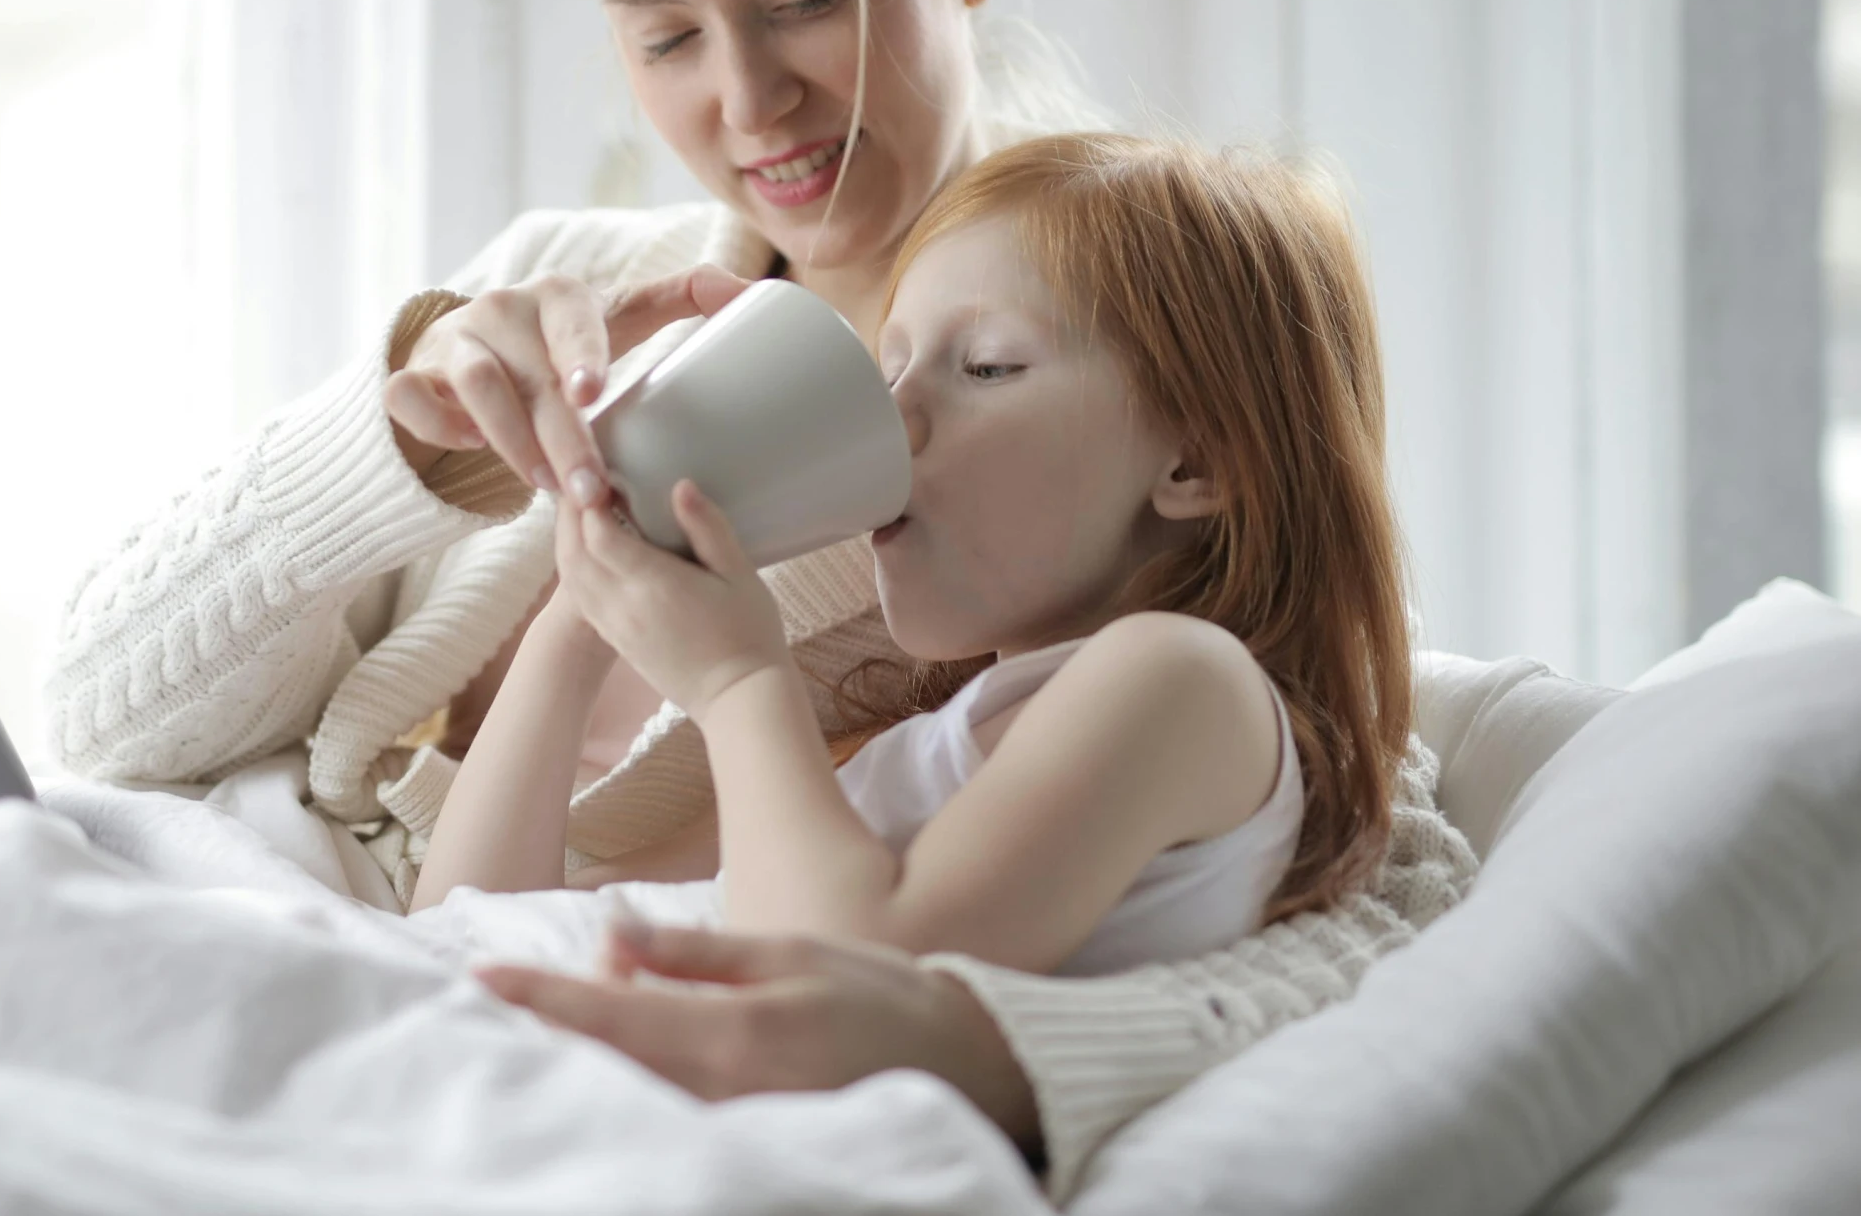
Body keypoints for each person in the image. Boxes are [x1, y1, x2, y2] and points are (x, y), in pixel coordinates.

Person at [44, 0, 1476, 1198]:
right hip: (311, 911)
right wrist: (406, 439)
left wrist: (985, 1052)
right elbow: (104, 713)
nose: (747, 102)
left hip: (504, 1040)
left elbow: (1367, 874)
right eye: (659, 35)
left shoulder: (1092, 409)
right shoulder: (561, 292)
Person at [414, 133, 1405, 990]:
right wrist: (577, 626)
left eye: (984, 367)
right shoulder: (933, 744)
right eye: (888, 366)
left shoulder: (1183, 681)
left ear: (1195, 462)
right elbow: (476, 925)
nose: (890, 415)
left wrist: (735, 680)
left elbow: (859, 974)